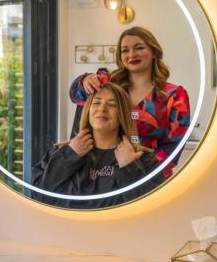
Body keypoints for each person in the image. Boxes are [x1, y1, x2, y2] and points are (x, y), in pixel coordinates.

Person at [69, 26, 190, 176]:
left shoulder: (174, 95)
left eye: (139, 48)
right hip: (104, 173)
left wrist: (142, 174)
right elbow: (75, 94)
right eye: (125, 50)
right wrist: (85, 80)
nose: (132, 54)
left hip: (150, 176)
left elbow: (174, 146)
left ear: (154, 52)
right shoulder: (108, 83)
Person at [34, 82, 165, 209]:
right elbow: (38, 198)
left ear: (123, 114)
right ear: (88, 110)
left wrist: (129, 167)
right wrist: (68, 156)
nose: (102, 109)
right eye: (96, 103)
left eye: (112, 105)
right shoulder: (59, 152)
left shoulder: (144, 158)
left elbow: (151, 210)